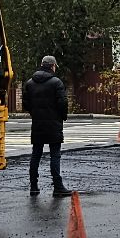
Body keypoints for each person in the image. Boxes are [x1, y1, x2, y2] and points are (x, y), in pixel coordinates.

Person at [22, 55, 72, 197]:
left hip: (37, 123)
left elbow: (26, 103)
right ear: (52, 66)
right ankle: (57, 186)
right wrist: (62, 116)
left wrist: (35, 113)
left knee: (36, 154)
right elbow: (62, 103)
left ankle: (33, 186)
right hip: (53, 123)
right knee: (55, 155)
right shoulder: (56, 82)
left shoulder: (30, 83)